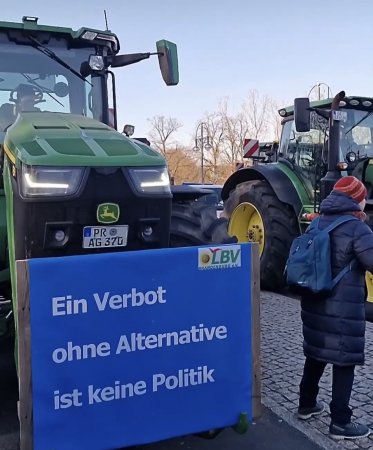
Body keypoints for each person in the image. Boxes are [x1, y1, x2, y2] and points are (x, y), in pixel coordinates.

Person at [297, 176, 373, 440]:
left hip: (315, 303)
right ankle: (340, 422)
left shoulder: (317, 223)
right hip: (342, 310)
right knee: (344, 362)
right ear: (356, 198)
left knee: (316, 352)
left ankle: (306, 404)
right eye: (363, 196)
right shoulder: (357, 228)